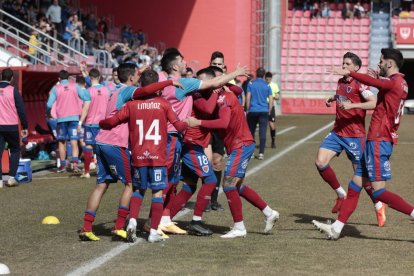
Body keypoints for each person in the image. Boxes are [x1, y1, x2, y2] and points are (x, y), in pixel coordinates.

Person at [312, 48, 414, 240]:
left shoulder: (393, 82)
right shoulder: (401, 82)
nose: (379, 64)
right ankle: (337, 228)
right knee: (354, 186)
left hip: (378, 141)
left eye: (382, 61)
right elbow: (382, 85)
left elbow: (375, 85)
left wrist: (350, 73)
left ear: (390, 64)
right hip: (375, 141)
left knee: (380, 192)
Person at [78, 63, 178, 241]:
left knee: (101, 185)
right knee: (132, 185)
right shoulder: (126, 91)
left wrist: (141, 70)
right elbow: (147, 89)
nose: (138, 81)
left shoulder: (115, 89)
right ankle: (119, 226)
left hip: (101, 140)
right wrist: (169, 83)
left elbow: (139, 82)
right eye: (136, 77)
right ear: (131, 78)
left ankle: (86, 227)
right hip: (115, 143)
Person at [155, 49, 248, 235]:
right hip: (188, 141)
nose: (185, 62)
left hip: (184, 140)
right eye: (182, 60)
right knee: (208, 179)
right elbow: (209, 106)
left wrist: (222, 86)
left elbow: (235, 90)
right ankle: (193, 220)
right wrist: (226, 81)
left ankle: (164, 219)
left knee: (186, 184)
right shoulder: (192, 89)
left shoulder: (174, 83)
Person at [99, 69, 191, 243]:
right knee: (157, 193)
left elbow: (111, 122)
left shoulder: (131, 105)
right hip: (157, 156)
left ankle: (132, 221)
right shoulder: (164, 104)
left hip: (138, 156)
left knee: (138, 190)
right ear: (157, 88)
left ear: (141, 85)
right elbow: (179, 126)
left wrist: (101, 123)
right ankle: (153, 232)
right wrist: (188, 122)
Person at [190, 79, 280, 238]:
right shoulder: (226, 94)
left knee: (228, 184)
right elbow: (238, 91)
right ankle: (269, 212)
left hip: (241, 144)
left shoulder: (223, 99)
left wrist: (198, 122)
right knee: (236, 186)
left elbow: (224, 123)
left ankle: (239, 227)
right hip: (239, 144)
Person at [314, 52, 386, 226]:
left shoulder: (361, 83)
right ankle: (340, 194)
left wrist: (353, 105)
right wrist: (333, 97)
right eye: (343, 63)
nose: (343, 66)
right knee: (320, 162)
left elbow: (374, 102)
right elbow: (344, 96)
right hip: (338, 132)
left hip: (355, 136)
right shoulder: (340, 82)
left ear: (356, 68)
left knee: (362, 178)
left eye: (347, 64)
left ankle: (378, 205)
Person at [46, 70, 89, 173]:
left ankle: (63, 165)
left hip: (61, 119)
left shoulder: (56, 88)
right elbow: (85, 97)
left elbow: (49, 104)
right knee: (74, 141)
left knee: (61, 142)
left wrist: (48, 113)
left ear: (59, 79)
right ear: (68, 78)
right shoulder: (75, 86)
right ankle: (75, 164)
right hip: (74, 118)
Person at [78, 68, 111, 179]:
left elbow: (86, 108)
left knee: (88, 146)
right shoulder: (107, 90)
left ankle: (87, 172)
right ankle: (102, 171)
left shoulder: (88, 91)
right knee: (103, 147)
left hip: (91, 123)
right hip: (104, 123)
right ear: (100, 76)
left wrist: (80, 122)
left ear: (90, 78)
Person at [0, 68, 28, 187]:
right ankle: (11, 178)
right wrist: (25, 126)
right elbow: (21, 109)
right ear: (11, 78)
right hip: (11, 126)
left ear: (1, 76)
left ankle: (0, 181)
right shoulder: (13, 91)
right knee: (15, 150)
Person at [246, 67, 273, 160]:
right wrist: (269, 110)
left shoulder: (251, 84)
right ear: (264, 75)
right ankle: (261, 152)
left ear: (256, 74)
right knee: (262, 132)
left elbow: (248, 97)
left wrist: (247, 109)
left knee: (251, 132)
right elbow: (271, 99)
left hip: (253, 110)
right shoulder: (267, 85)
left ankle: (252, 152)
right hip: (263, 111)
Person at [265, 72, 280, 149]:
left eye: (269, 79)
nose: (267, 80)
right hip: (263, 106)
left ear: (271, 78)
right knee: (263, 125)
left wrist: (271, 96)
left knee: (272, 125)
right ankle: (262, 142)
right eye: (266, 79)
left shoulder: (274, 85)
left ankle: (273, 141)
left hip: (271, 106)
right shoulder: (263, 84)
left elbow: (277, 96)